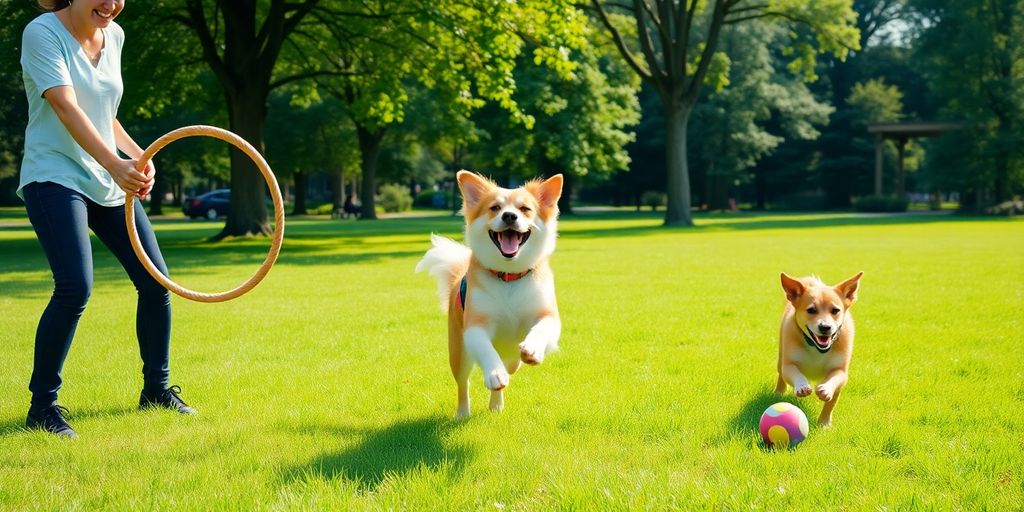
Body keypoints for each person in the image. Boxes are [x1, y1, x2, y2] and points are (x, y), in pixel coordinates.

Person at [19, 0, 195, 438]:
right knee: (75, 285)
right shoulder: (42, 32)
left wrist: (137, 155)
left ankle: (156, 389)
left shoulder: (114, 36)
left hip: (104, 178)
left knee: (156, 282)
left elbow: (104, 114)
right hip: (55, 174)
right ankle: (43, 406)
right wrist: (116, 165)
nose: (112, 4)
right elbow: (66, 107)